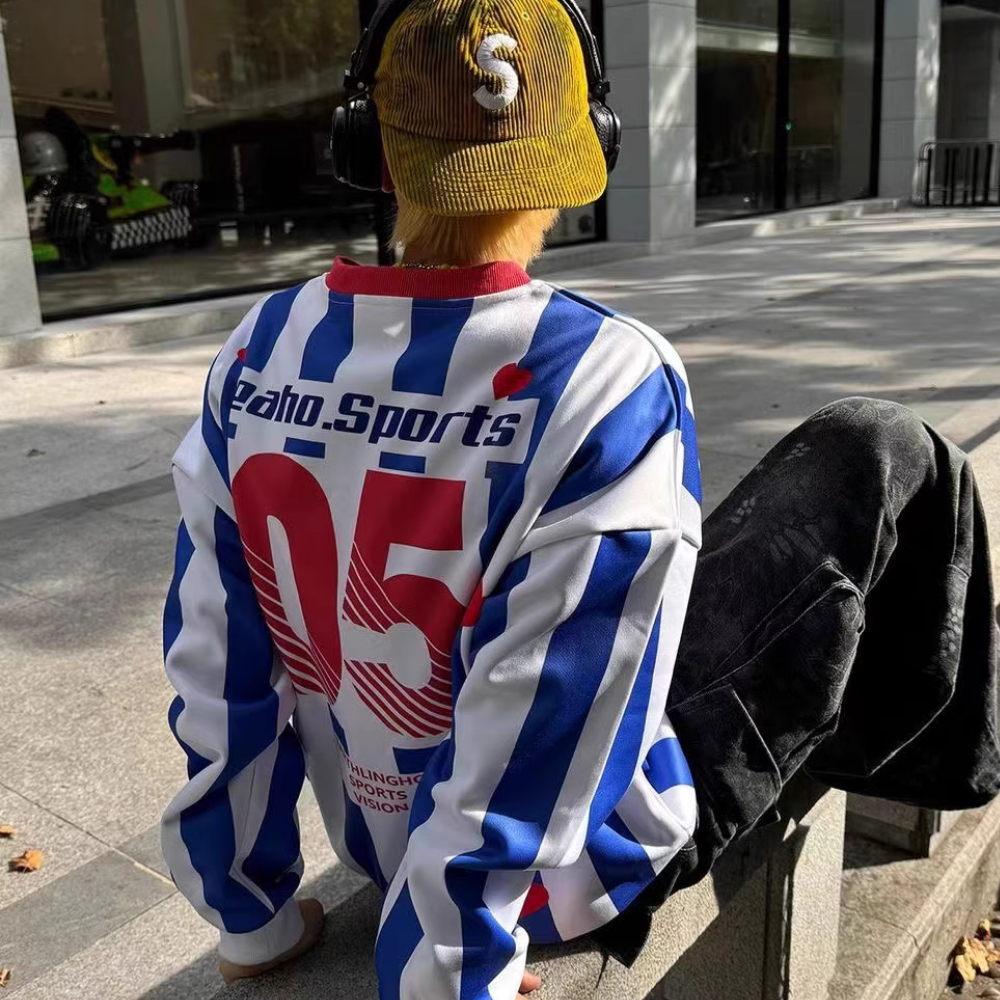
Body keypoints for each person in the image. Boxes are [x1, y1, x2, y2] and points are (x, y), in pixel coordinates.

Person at [161, 0, 1000, 996]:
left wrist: (249, 916)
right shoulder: (603, 374)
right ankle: (949, 775)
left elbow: (219, 666)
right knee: (881, 450)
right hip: (567, 874)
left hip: (382, 847)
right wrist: (455, 961)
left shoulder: (258, 353)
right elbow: (546, 703)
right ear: (577, 156)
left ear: (374, 154)